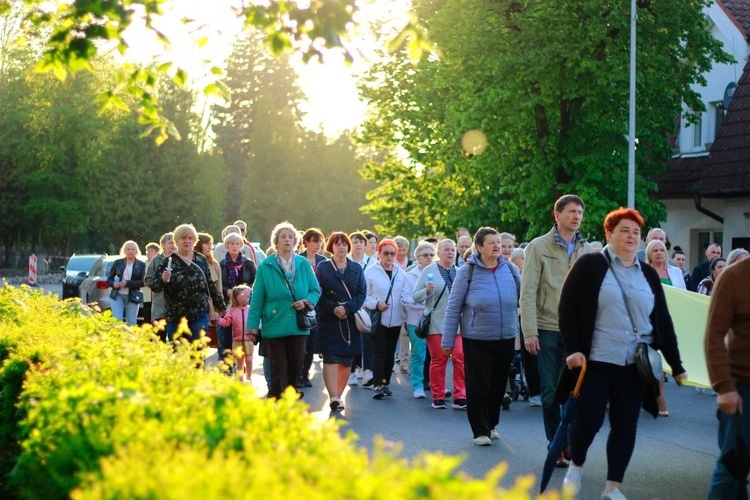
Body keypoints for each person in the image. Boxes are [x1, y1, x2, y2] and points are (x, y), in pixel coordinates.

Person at [557, 207, 687, 500]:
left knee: (625, 425)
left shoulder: (648, 274)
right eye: (624, 230)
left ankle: (612, 487)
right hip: (596, 362)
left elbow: (662, 321)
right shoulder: (590, 265)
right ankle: (575, 466)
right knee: (588, 421)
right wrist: (573, 349)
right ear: (609, 233)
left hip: (633, 365)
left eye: (636, 232)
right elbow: (567, 309)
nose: (631, 237)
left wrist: (676, 365)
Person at [521, 194, 592, 465]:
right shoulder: (538, 247)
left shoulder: (587, 250)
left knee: (576, 393)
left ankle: (568, 441)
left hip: (577, 333)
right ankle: (556, 443)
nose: (577, 217)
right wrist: (529, 331)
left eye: (580, 212)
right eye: (572, 211)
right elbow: (528, 292)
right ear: (557, 214)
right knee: (551, 392)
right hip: (547, 328)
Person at [442, 228, 520, 445]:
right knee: (479, 385)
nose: (497, 246)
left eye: (499, 242)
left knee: (497, 384)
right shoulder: (467, 272)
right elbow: (453, 307)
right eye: (492, 243)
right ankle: (480, 430)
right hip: (476, 338)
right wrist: (448, 340)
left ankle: (492, 424)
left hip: (505, 336)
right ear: (478, 247)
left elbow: (521, 298)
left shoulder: (511, 270)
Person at [246, 221, 321, 400]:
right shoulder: (266, 266)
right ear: (276, 242)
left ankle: (290, 394)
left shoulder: (303, 264)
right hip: (274, 322)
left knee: (296, 364)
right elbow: (257, 299)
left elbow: (315, 290)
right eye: (283, 237)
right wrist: (252, 326)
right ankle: (278, 398)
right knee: (278, 365)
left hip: (297, 323)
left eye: (290, 237)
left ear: (295, 242)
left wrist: (306, 302)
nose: (287, 240)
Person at [704, 257, 750, 499]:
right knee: (733, 466)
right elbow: (714, 335)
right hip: (743, 390)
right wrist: (724, 386)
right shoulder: (733, 277)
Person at [314, 232, 366, 411]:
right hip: (329, 319)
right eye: (337, 244)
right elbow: (317, 291)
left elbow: (362, 293)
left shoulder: (356, 269)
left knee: (346, 361)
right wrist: (334, 308)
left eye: (344, 244)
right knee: (330, 358)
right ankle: (333, 396)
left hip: (350, 321)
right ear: (331, 247)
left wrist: (347, 308)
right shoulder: (323, 267)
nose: (342, 247)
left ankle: (339, 395)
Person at [413, 239, 467, 410]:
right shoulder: (429, 271)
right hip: (436, 322)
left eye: (453, 250)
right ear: (439, 253)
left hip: (457, 324)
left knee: (460, 358)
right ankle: (438, 396)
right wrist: (426, 291)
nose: (450, 253)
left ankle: (460, 396)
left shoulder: (460, 272)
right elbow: (416, 296)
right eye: (446, 250)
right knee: (439, 359)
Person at [151, 224, 226, 342]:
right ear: (176, 240)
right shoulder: (167, 262)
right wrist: (162, 280)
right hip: (175, 316)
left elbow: (209, 285)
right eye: (183, 238)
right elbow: (154, 286)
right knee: (179, 353)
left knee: (197, 349)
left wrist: (222, 307)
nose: (187, 241)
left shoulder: (201, 260)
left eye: (190, 238)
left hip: (199, 313)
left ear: (195, 241)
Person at [364, 239, 406, 400]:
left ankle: (385, 382)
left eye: (392, 253)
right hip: (378, 318)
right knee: (379, 352)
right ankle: (377, 385)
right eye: (386, 253)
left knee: (390, 353)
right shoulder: (371, 271)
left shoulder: (400, 273)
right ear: (379, 254)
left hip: (395, 320)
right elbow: (364, 295)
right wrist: (377, 304)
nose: (389, 256)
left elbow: (404, 295)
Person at [401, 241, 435, 399]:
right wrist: (423, 302)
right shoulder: (410, 275)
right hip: (416, 321)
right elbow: (405, 299)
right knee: (419, 353)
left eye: (431, 255)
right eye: (426, 255)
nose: (429, 258)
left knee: (436, 355)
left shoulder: (437, 273)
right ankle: (417, 385)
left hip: (435, 320)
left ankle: (436, 386)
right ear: (418, 258)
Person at [510, 247, 541, 407]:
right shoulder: (516, 274)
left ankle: (543, 390)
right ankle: (535, 392)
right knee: (530, 357)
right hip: (524, 319)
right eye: (521, 257)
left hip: (543, 317)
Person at [219, 233, 257, 366]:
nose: (234, 246)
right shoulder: (222, 264)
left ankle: (246, 366)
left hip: (245, 305)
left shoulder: (248, 263)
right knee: (227, 335)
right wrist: (227, 291)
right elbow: (218, 284)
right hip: (228, 304)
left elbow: (255, 282)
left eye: (237, 244)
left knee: (244, 334)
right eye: (231, 244)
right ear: (227, 246)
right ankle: (228, 364)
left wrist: (245, 292)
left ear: (241, 246)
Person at [347, 231, 375, 386]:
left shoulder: (372, 262)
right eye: (355, 241)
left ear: (365, 245)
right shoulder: (346, 261)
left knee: (367, 339)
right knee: (352, 339)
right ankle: (351, 371)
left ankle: (367, 371)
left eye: (361, 242)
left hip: (367, 306)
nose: (358, 244)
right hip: (351, 305)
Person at [299, 228, 327, 388]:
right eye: (315, 241)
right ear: (307, 242)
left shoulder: (323, 260)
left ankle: (305, 374)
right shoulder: (299, 259)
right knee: (301, 342)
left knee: (311, 343)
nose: (318, 245)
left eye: (320, 242)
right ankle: (297, 372)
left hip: (319, 307)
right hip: (303, 305)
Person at [215, 285, 253, 382]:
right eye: (247, 297)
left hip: (249, 339)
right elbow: (226, 323)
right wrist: (218, 320)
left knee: (249, 359)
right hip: (237, 340)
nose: (249, 299)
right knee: (240, 361)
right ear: (239, 297)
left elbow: (255, 321)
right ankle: (240, 379)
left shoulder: (250, 309)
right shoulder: (232, 311)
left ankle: (249, 377)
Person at [106, 240, 147, 326]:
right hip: (117, 295)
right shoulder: (118, 262)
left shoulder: (141, 265)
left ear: (136, 251)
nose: (130, 251)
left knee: (131, 322)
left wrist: (127, 283)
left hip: (133, 296)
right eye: (128, 249)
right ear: (124, 251)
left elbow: (143, 282)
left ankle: (130, 339)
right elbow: (109, 279)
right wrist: (114, 284)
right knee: (117, 320)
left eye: (133, 249)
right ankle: (117, 338)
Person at [145, 232, 176, 340]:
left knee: (176, 339)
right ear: (163, 245)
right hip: (160, 304)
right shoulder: (156, 260)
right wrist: (160, 281)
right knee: (160, 338)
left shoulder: (180, 258)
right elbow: (148, 279)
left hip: (176, 305)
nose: (173, 245)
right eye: (171, 242)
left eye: (175, 242)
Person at [142, 242, 160, 323]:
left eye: (151, 250)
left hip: (157, 296)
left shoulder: (159, 263)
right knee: (147, 317)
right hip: (146, 296)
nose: (148, 253)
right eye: (147, 251)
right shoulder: (144, 264)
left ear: (157, 252)